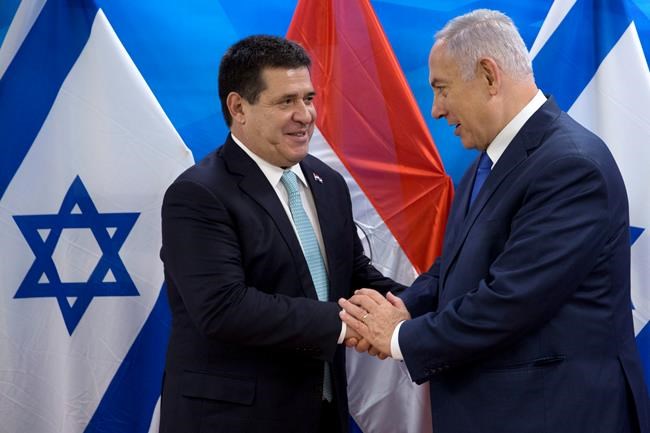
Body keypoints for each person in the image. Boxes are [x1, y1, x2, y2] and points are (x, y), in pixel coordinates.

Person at [339, 9, 650, 433]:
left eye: (441, 89)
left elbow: (511, 299)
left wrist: (398, 336)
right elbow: (456, 268)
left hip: (555, 415)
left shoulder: (571, 166)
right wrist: (404, 306)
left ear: (488, 75)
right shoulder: (486, 164)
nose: (436, 110)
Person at [158, 35, 401, 433]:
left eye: (309, 98)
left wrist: (415, 307)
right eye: (287, 101)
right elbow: (224, 308)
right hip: (233, 422)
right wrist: (351, 324)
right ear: (239, 107)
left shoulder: (328, 183)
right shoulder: (199, 194)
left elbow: (354, 275)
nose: (305, 115)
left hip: (322, 416)